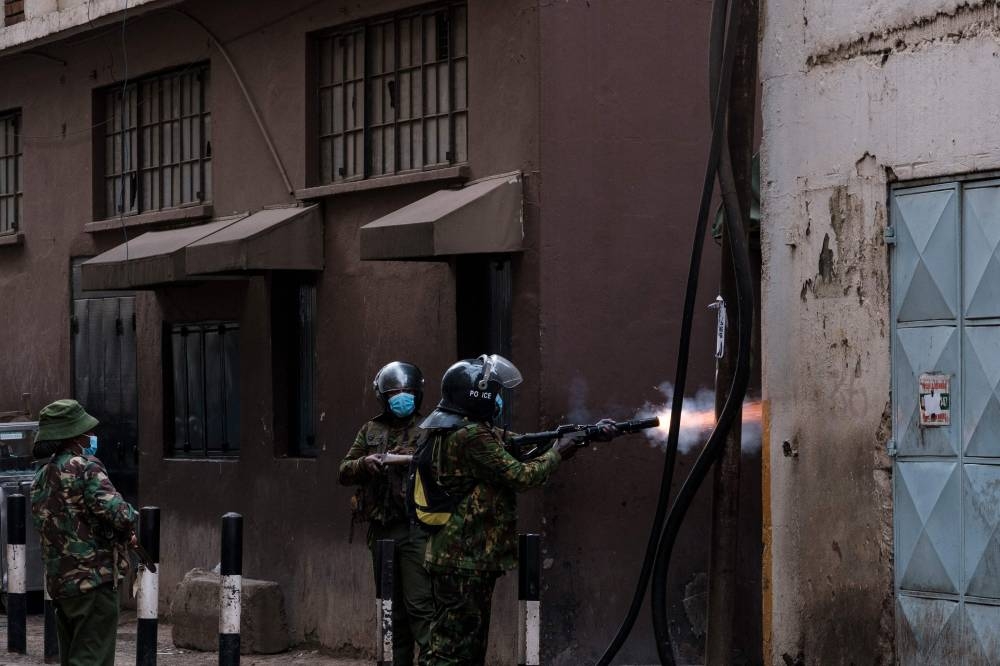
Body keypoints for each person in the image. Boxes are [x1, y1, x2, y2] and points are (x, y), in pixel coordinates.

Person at [415, 354, 612, 665]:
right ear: (476, 395)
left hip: (455, 556)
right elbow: (522, 476)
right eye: (493, 393)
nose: (497, 400)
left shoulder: (450, 428)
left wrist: (578, 434)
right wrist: (559, 452)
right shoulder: (471, 435)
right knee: (455, 650)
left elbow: (515, 444)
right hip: (465, 557)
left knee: (456, 645)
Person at [338, 361, 435, 665]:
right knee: (390, 608)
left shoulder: (431, 427)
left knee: (420, 604)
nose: (401, 397)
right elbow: (343, 471)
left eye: (407, 392)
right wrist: (364, 463)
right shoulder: (370, 429)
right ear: (382, 395)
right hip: (381, 531)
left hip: (416, 529)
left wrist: (406, 460)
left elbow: (439, 468)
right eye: (394, 392)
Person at [30, 399, 138, 666]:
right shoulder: (85, 467)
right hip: (92, 581)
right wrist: (131, 520)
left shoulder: (42, 476)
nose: (91, 437)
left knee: (74, 656)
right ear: (75, 435)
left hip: (61, 584)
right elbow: (120, 515)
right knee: (92, 658)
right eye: (87, 432)